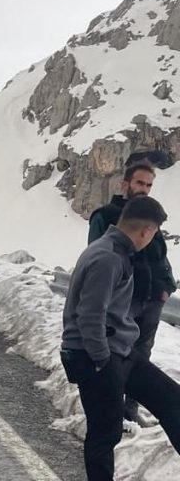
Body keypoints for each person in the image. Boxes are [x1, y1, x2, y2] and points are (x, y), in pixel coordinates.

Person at [61, 196, 180, 481]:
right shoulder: (108, 258)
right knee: (105, 433)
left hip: (119, 351)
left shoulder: (116, 251)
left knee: (172, 401)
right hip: (95, 355)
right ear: (146, 231)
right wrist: (103, 363)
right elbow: (89, 317)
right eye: (154, 233)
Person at [87, 161, 177, 426]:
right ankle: (111, 410)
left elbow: (161, 257)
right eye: (140, 183)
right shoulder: (106, 215)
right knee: (118, 355)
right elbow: (97, 256)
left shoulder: (151, 216)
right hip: (123, 302)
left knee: (142, 354)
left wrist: (166, 287)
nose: (144, 189)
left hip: (151, 301)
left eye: (149, 185)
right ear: (124, 184)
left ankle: (131, 410)